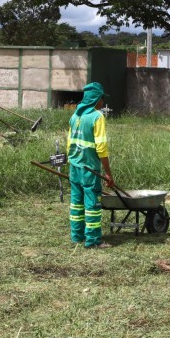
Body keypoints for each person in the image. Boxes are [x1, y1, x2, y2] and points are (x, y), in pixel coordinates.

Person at [67, 82, 115, 249]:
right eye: (101, 98)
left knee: (76, 202)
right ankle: (93, 240)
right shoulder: (97, 117)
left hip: (74, 166)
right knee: (92, 204)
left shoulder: (75, 116)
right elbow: (101, 148)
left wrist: (71, 161)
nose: (102, 101)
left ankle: (77, 236)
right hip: (89, 168)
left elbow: (69, 143)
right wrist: (108, 173)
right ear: (96, 99)